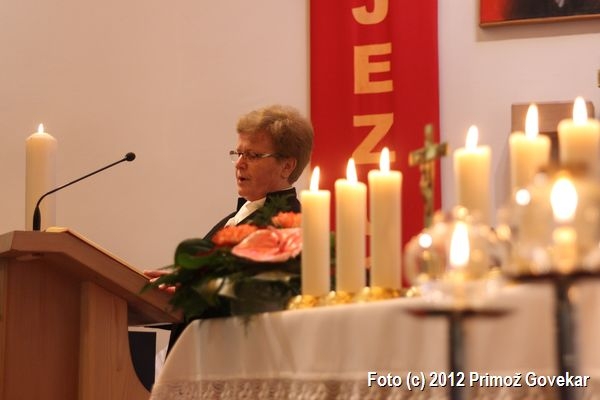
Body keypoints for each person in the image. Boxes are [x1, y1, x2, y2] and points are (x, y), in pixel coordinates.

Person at [144, 104, 314, 350]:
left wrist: (193, 292)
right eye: (238, 153)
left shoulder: (290, 226)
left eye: (253, 155)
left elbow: (264, 302)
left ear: (286, 166)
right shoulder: (233, 218)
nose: (239, 164)